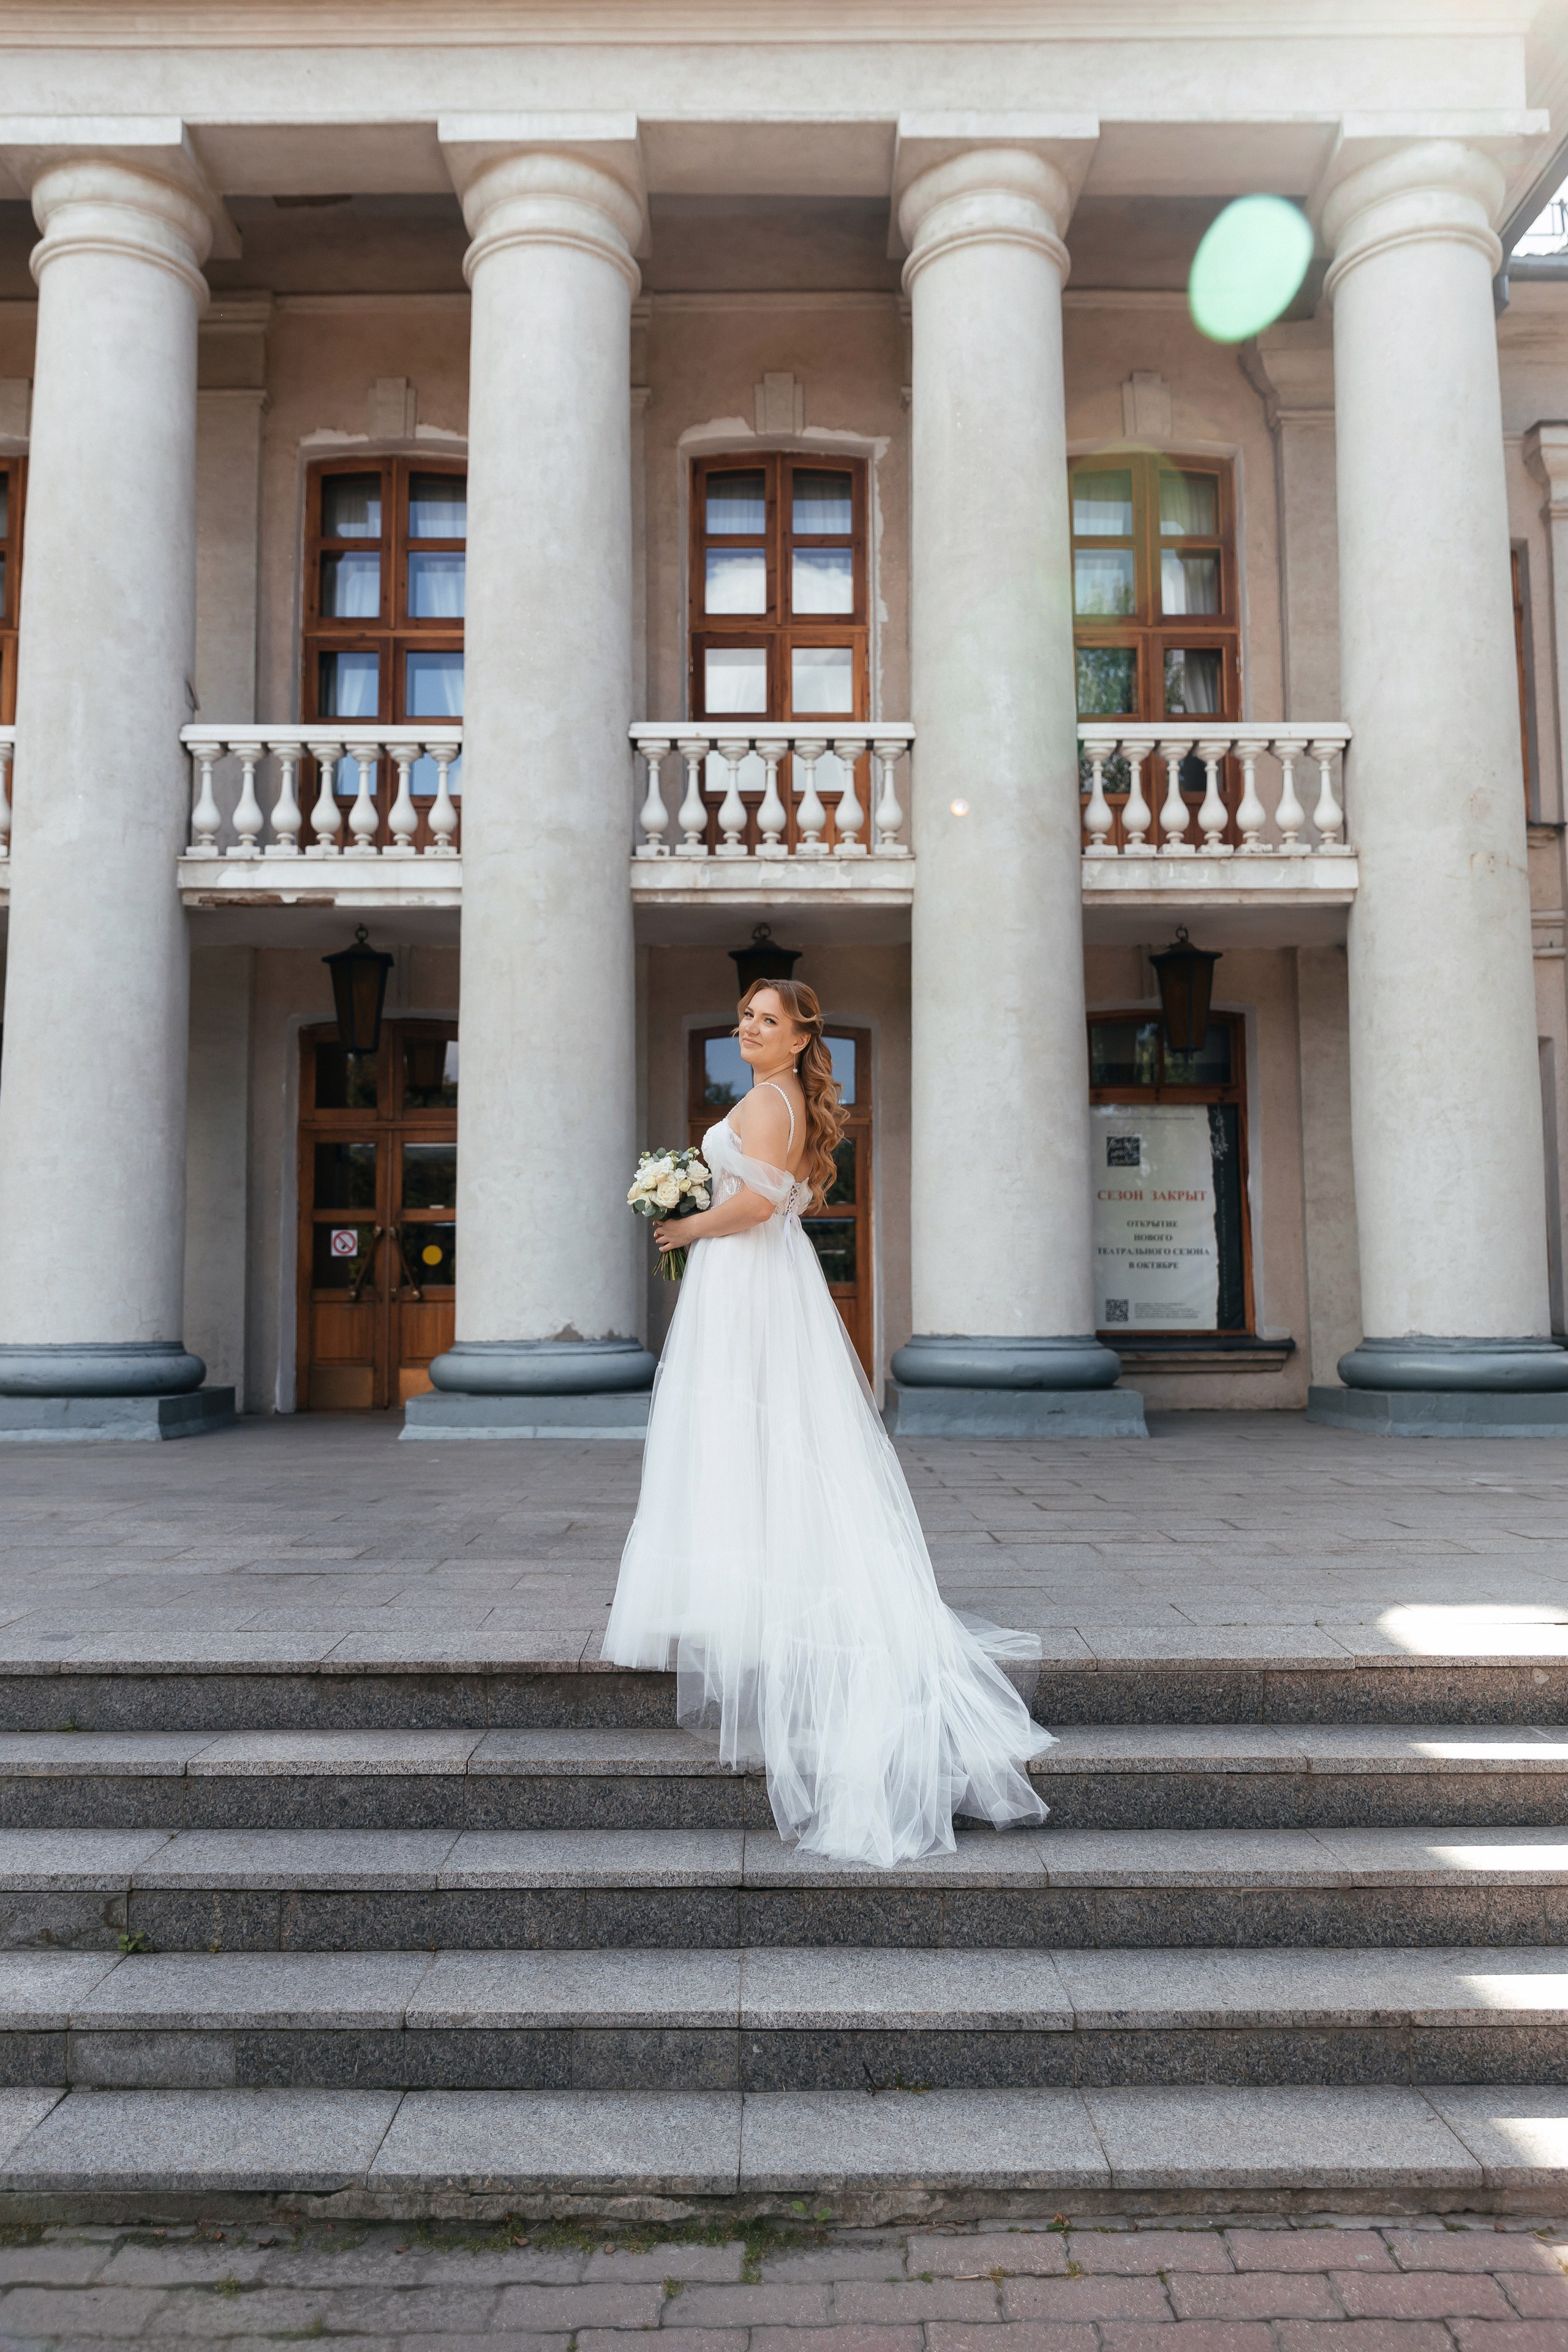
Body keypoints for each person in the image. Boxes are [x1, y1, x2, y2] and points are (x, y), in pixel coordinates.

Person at [603, 977, 1055, 1867]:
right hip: (743, 1283)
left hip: (749, 1277)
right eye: (743, 1017)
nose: (747, 1029)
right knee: (741, 1436)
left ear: (802, 1037)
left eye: (766, 1021)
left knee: (759, 1431)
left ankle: (765, 1590)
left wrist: (689, 1226)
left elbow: (765, 1203)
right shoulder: (763, 1098)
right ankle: (744, 1582)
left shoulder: (772, 1103)